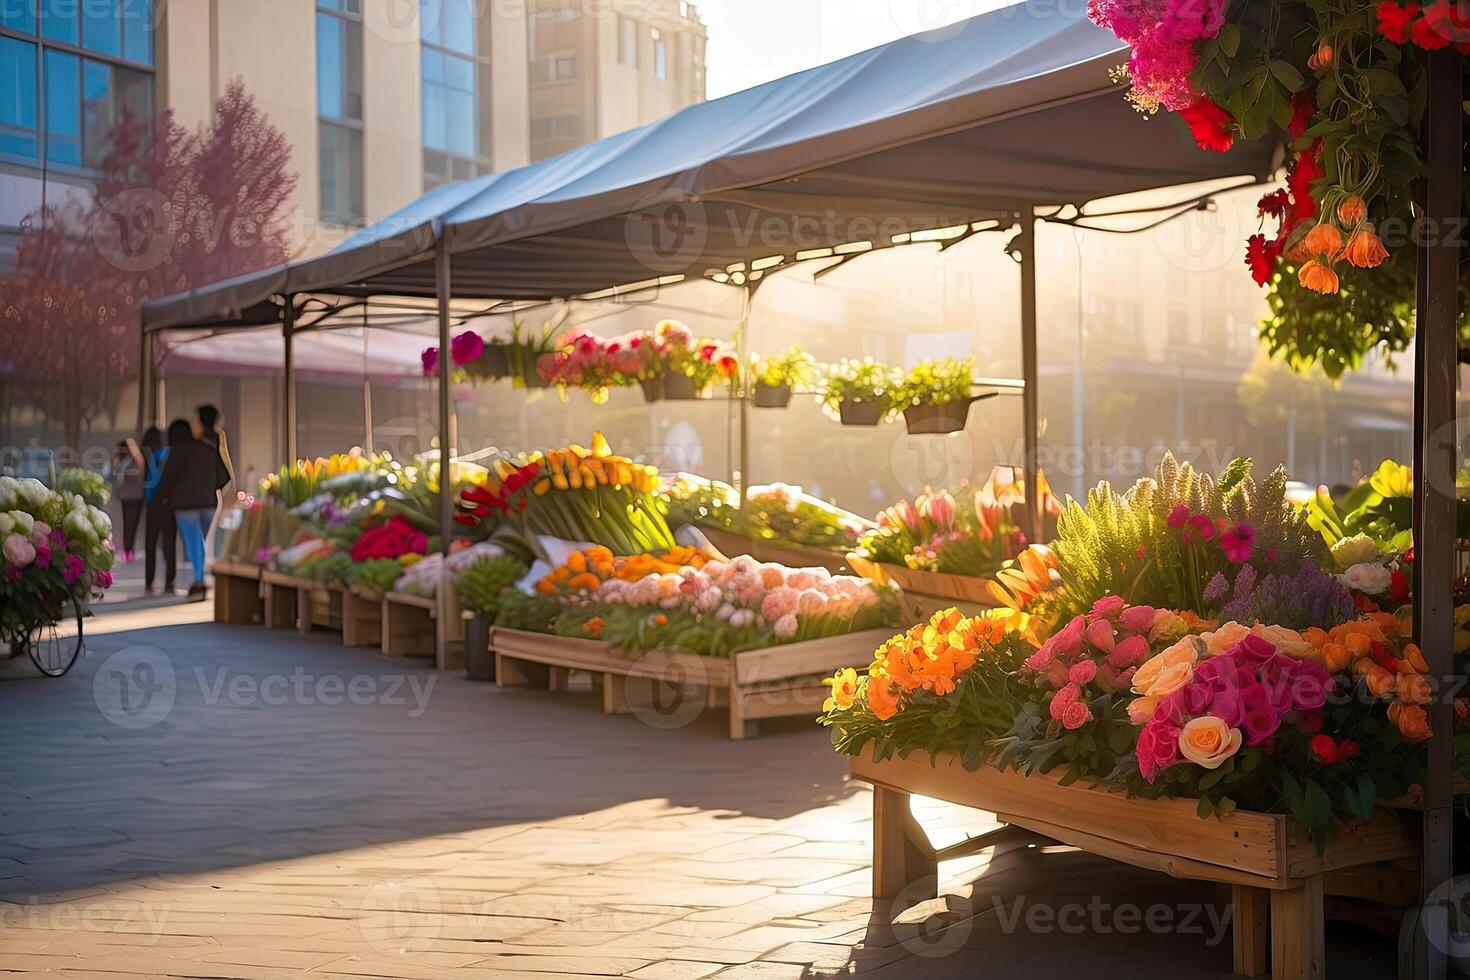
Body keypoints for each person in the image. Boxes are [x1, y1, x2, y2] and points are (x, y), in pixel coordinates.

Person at [156, 419, 230, 599]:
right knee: (203, 542)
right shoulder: (208, 449)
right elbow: (224, 477)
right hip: (209, 503)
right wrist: (209, 487)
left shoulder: (177, 452)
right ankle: (201, 577)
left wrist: (166, 495)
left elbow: (166, 479)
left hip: (184, 505)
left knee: (194, 543)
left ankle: (199, 579)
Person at [139, 426, 176, 595]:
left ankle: (149, 581)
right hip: (169, 503)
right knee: (169, 543)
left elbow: (147, 481)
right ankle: (169, 581)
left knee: (150, 543)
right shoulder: (170, 454)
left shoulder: (149, 456)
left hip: (153, 502)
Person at [194, 404, 234, 557]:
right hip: (213, 492)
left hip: (198, 492)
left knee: (200, 533)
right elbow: (226, 464)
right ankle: (207, 563)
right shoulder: (218, 437)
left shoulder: (195, 440)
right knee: (210, 533)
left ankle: (202, 565)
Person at [106, 440, 144, 562]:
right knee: (128, 524)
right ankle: (128, 549)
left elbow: (134, 475)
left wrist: (120, 470)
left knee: (131, 524)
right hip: (128, 496)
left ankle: (129, 549)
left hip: (133, 496)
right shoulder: (125, 461)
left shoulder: (135, 461)